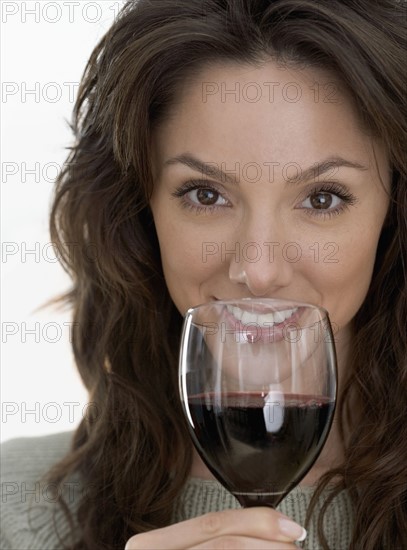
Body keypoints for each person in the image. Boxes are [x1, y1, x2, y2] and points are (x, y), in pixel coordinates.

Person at [1, 0, 406, 548]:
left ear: (393, 214)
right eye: (206, 194)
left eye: (323, 198)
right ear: (141, 211)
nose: (257, 270)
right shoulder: (14, 505)